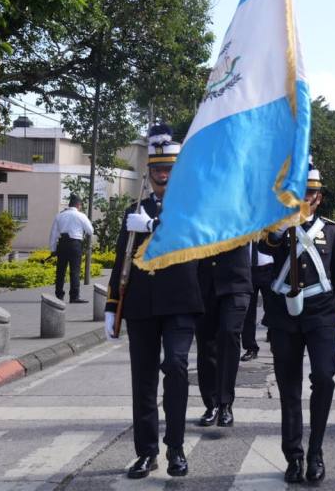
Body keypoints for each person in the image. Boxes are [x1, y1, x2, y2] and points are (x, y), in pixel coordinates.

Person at [104, 124, 202, 479]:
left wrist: (154, 226)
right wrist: (113, 305)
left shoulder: (192, 206)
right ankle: (146, 452)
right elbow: (122, 261)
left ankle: (175, 446)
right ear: (150, 173)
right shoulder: (135, 210)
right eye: (157, 170)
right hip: (142, 304)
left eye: (169, 170)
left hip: (180, 302)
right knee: (143, 380)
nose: (163, 175)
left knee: (175, 367)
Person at [259, 161, 335, 484]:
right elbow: (263, 247)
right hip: (285, 317)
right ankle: (294, 456)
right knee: (289, 388)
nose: (306, 198)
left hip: (322, 315)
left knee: (324, 377)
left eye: (311, 193)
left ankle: (316, 451)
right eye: (301, 192)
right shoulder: (278, 227)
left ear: (319, 197)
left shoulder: (330, 230)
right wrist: (283, 227)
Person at [194, 242, 253, 428]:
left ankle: (225, 403)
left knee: (229, 333)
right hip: (205, 281)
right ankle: (211, 404)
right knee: (206, 342)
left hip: (235, 281)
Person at [49, 193, 93, 304]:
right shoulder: (80, 216)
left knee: (60, 271)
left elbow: (53, 234)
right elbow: (90, 231)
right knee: (75, 271)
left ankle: (59, 295)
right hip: (75, 244)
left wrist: (53, 249)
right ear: (78, 205)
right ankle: (74, 296)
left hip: (62, 244)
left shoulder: (59, 215)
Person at [240, 247, 275, 361]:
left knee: (272, 307)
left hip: (269, 268)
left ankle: (274, 340)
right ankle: (250, 348)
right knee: (248, 311)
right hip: (247, 268)